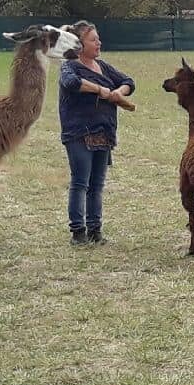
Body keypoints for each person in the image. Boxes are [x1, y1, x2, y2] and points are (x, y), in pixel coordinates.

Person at [58, 20, 135, 245]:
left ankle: (95, 230)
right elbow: (72, 83)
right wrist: (100, 89)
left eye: (98, 39)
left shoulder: (104, 67)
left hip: (104, 134)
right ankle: (78, 232)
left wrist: (118, 93)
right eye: (93, 40)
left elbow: (129, 81)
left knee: (97, 185)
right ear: (80, 45)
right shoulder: (69, 66)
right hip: (79, 134)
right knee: (80, 183)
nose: (98, 43)